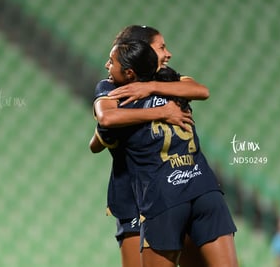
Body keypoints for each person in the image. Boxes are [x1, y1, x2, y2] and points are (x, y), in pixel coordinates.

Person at [93, 40, 239, 267]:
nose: (106, 66)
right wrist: (162, 105)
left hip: (163, 195)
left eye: (111, 62)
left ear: (130, 73)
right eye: (161, 48)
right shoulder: (176, 88)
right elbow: (202, 91)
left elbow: (101, 133)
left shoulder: (121, 104)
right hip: (205, 189)